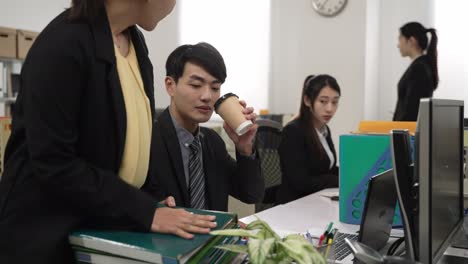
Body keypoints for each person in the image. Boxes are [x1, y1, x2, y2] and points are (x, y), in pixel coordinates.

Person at [0, 1, 217, 263]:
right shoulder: (62, 44)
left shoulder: (134, 40)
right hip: (47, 237)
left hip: (103, 222)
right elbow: (54, 163)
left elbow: (125, 144)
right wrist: (144, 211)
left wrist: (152, 197)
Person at [141, 42, 265, 211]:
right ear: (170, 86)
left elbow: (251, 195)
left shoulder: (212, 142)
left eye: (215, 87)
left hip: (212, 236)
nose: (207, 96)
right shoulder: (146, 140)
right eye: (196, 85)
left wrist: (245, 149)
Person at [276, 74, 341, 204]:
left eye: (334, 102)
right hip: (295, 205)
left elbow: (327, 168)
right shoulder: (293, 131)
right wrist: (340, 180)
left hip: (317, 200)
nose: (330, 109)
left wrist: (352, 175)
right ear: (307, 100)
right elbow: (301, 182)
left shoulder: (324, 130)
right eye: (323, 101)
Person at [393, 22, 438, 121]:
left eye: (400, 39)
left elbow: (411, 111)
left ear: (411, 41)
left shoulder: (419, 69)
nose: (398, 45)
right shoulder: (420, 66)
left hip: (408, 133)